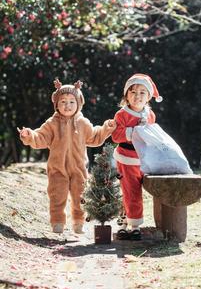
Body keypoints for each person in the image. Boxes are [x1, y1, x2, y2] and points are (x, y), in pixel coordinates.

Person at [18, 78, 116, 234]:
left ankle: (78, 222)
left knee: (80, 196)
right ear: (56, 104)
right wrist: (29, 135)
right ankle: (57, 222)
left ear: (79, 104)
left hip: (79, 169)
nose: (67, 105)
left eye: (72, 102)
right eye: (63, 102)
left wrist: (106, 128)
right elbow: (40, 137)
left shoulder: (83, 123)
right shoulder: (52, 123)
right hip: (57, 168)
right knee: (57, 195)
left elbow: (95, 136)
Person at [111, 73, 162, 240]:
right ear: (126, 95)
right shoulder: (122, 115)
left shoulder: (150, 115)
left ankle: (126, 221)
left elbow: (153, 134)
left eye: (142, 92)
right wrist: (135, 132)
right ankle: (134, 226)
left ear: (148, 97)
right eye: (133, 92)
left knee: (132, 191)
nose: (137, 96)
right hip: (127, 158)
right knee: (131, 191)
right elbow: (116, 136)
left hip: (145, 159)